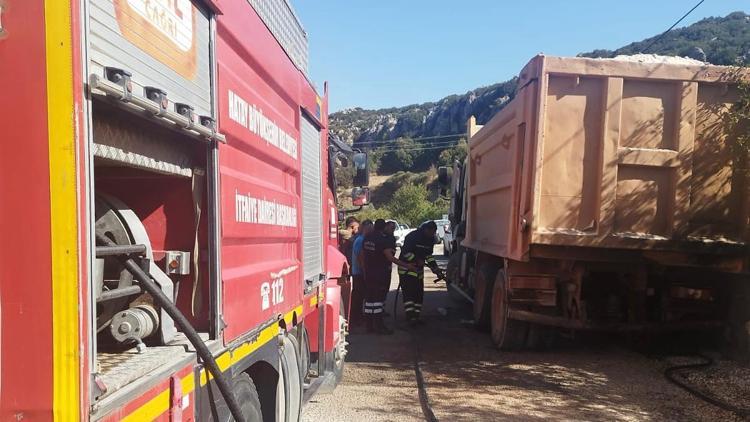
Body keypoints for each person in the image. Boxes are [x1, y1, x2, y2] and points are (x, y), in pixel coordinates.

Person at [363, 219, 416, 334]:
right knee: (378, 300)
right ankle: (379, 326)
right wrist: (407, 266)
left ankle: (369, 326)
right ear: (384, 228)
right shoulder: (382, 240)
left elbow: (362, 256)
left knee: (370, 300)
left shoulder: (367, 238)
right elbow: (390, 258)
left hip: (369, 273)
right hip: (380, 273)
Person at [398, 221, 445, 326]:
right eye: (431, 231)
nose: (432, 234)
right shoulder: (412, 236)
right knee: (409, 294)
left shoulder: (430, 239)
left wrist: (435, 268)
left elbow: (428, 255)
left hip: (418, 270)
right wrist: (416, 260)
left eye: (434, 232)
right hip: (407, 269)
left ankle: (417, 316)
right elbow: (405, 253)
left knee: (418, 295)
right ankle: (410, 317)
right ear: (425, 230)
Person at [350, 219, 373, 327]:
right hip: (358, 273)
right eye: (370, 227)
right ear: (365, 228)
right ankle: (356, 318)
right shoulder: (360, 240)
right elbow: (360, 257)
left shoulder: (362, 239)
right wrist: (365, 271)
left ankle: (358, 316)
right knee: (358, 297)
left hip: (359, 272)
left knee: (360, 296)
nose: (372, 229)